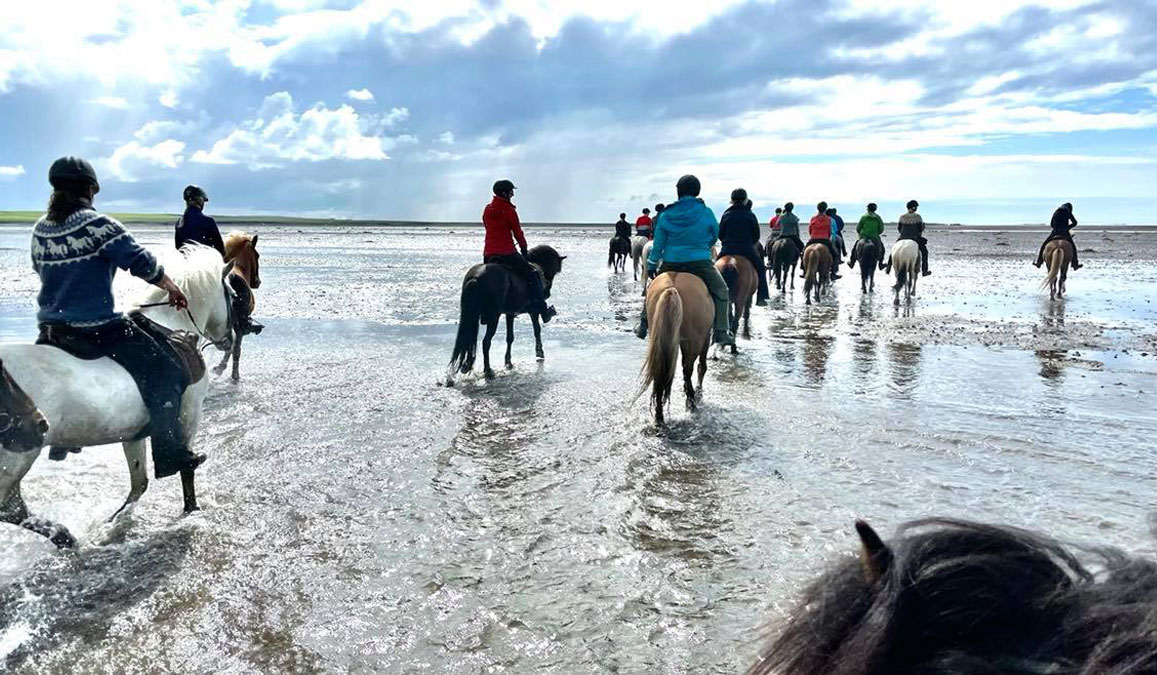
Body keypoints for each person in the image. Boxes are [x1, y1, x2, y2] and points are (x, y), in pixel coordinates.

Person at [31, 157, 206, 479]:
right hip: (96, 328)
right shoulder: (100, 225)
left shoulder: (41, 228)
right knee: (167, 370)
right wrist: (171, 287)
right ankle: (169, 453)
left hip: (50, 331)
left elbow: (38, 268)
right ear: (91, 189)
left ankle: (63, 441)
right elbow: (141, 263)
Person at [635, 175, 734, 347]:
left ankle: (644, 324)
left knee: (651, 288)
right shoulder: (706, 212)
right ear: (697, 191)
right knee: (721, 290)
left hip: (671, 261)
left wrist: (652, 263)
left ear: (678, 191)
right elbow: (714, 234)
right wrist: (703, 246)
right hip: (700, 262)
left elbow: (659, 242)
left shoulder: (667, 213)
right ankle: (721, 332)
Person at [482, 179, 556, 322]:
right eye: (511, 191)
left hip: (489, 253)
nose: (513, 194)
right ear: (504, 193)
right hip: (507, 252)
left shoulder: (487, 209)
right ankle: (543, 311)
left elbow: (487, 227)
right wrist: (523, 249)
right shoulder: (509, 210)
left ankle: (485, 312)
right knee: (533, 275)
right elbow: (517, 232)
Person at [719, 188, 770, 305]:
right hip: (746, 249)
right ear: (745, 200)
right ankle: (761, 298)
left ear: (731, 200)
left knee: (714, 268)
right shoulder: (750, 215)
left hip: (727, 249)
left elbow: (720, 235)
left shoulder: (726, 214)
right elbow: (756, 236)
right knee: (761, 269)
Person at [175, 185, 225, 256]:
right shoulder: (208, 221)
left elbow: (178, 247)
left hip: (186, 261)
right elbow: (219, 247)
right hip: (206, 262)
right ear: (200, 200)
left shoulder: (179, 223)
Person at [885, 199, 931, 276]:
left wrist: (904, 234)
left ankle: (888, 267)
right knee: (925, 252)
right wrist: (923, 228)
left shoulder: (902, 217)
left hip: (902, 237)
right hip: (915, 238)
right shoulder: (918, 217)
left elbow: (899, 228)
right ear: (913, 207)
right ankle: (924, 270)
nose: (916, 208)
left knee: (893, 249)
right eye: (916, 207)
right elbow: (920, 229)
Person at [1034, 202, 1083, 270]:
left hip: (1055, 232)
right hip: (1064, 233)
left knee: (1044, 245)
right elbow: (1075, 222)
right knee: (1073, 247)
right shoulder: (1068, 212)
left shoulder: (1056, 212)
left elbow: (1051, 224)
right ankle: (1075, 264)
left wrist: (1057, 228)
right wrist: (1067, 227)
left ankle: (1039, 262)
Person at [806, 201, 841, 281]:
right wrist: (826, 237)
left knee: (803, 252)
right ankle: (833, 273)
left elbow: (810, 230)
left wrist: (813, 236)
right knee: (835, 254)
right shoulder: (828, 219)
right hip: (824, 239)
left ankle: (804, 270)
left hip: (813, 239)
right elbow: (829, 231)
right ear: (825, 209)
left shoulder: (813, 218)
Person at [849, 202, 885, 269]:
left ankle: (852, 262)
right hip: (874, 237)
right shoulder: (878, 217)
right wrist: (876, 233)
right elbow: (881, 229)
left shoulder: (864, 217)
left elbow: (858, 228)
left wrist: (861, 234)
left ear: (868, 209)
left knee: (854, 249)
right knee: (882, 249)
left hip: (864, 237)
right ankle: (881, 264)